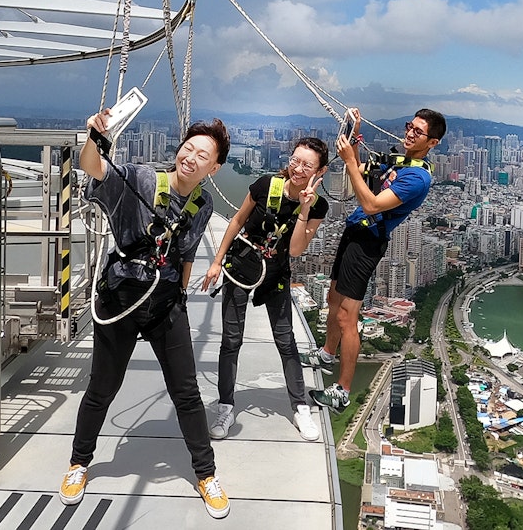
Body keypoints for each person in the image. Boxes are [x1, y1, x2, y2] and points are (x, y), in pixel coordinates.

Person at [58, 112, 232, 520]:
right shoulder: (141, 179)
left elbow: (186, 253)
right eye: (188, 148)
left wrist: (182, 294)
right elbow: (94, 168)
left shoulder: (202, 203)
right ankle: (78, 464)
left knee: (186, 392)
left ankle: (206, 475)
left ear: (215, 167)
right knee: (102, 388)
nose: (191, 157)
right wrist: (95, 139)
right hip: (120, 298)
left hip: (165, 303)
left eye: (202, 155)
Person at [305, 108, 446, 413]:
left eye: (418, 131)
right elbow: (358, 168)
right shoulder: (398, 161)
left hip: (367, 242)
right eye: (410, 126)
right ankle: (328, 352)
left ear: (432, 142)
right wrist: (353, 133)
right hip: (353, 232)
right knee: (332, 299)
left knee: (347, 318)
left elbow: (370, 204)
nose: (410, 133)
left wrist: (348, 162)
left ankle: (342, 392)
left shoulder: (418, 178)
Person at [201, 138, 330, 442]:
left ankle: (300, 406)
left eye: (307, 165)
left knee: (286, 341)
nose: (298, 169)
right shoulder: (265, 185)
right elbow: (237, 221)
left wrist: (305, 208)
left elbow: (296, 248)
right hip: (241, 266)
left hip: (275, 275)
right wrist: (217, 262)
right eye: (295, 161)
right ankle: (226, 405)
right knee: (231, 340)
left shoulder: (318, 206)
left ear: (319, 171)